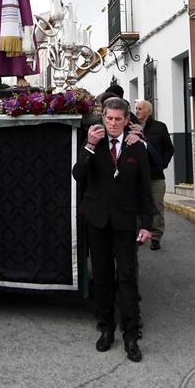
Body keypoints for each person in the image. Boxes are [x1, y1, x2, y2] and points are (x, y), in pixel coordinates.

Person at [73, 97, 153, 363]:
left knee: (128, 276)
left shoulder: (135, 147)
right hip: (97, 220)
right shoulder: (93, 143)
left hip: (125, 221)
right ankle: (106, 327)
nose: (114, 123)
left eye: (119, 119)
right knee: (104, 277)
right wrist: (89, 146)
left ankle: (131, 333)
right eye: (109, 119)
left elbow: (144, 188)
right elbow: (78, 174)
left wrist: (147, 225)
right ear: (103, 119)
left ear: (127, 120)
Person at [133, 100, 174, 251]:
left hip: (155, 176)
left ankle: (156, 236)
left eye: (140, 109)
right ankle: (139, 234)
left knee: (157, 205)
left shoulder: (159, 127)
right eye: (136, 108)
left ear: (149, 111)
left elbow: (169, 149)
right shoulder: (129, 126)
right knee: (138, 205)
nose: (137, 111)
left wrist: (161, 164)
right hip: (137, 176)